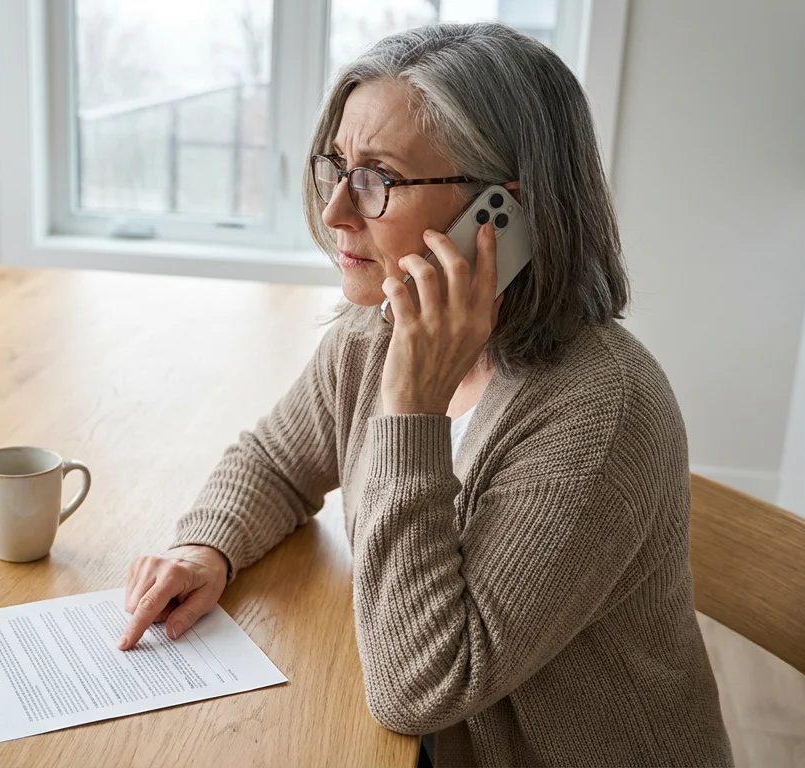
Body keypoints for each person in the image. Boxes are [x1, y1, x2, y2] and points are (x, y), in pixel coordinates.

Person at [117, 21, 733, 767]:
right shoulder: (375, 330)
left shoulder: (602, 413)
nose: (337, 211)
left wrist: (412, 405)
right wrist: (205, 546)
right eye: (337, 165)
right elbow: (279, 461)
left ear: (498, 216)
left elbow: (423, 686)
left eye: (378, 176)